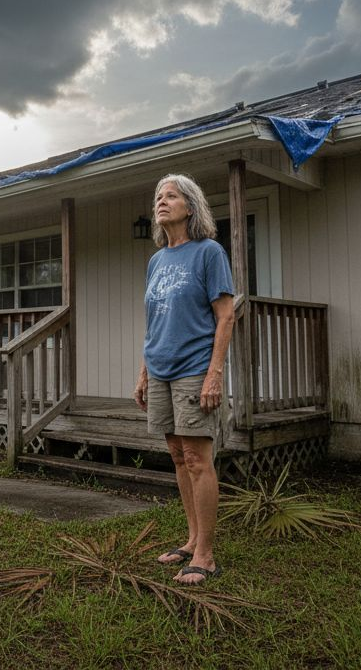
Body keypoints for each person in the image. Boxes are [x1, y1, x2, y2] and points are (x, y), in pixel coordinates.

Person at [133, 173, 235, 586]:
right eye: (158, 196)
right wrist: (143, 372)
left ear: (189, 207)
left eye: (171, 196)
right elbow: (154, 320)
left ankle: (206, 556)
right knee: (177, 456)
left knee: (197, 458)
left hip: (194, 369)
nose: (161, 201)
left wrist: (214, 374)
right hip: (159, 368)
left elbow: (225, 314)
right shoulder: (156, 261)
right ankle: (192, 540)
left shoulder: (209, 252)